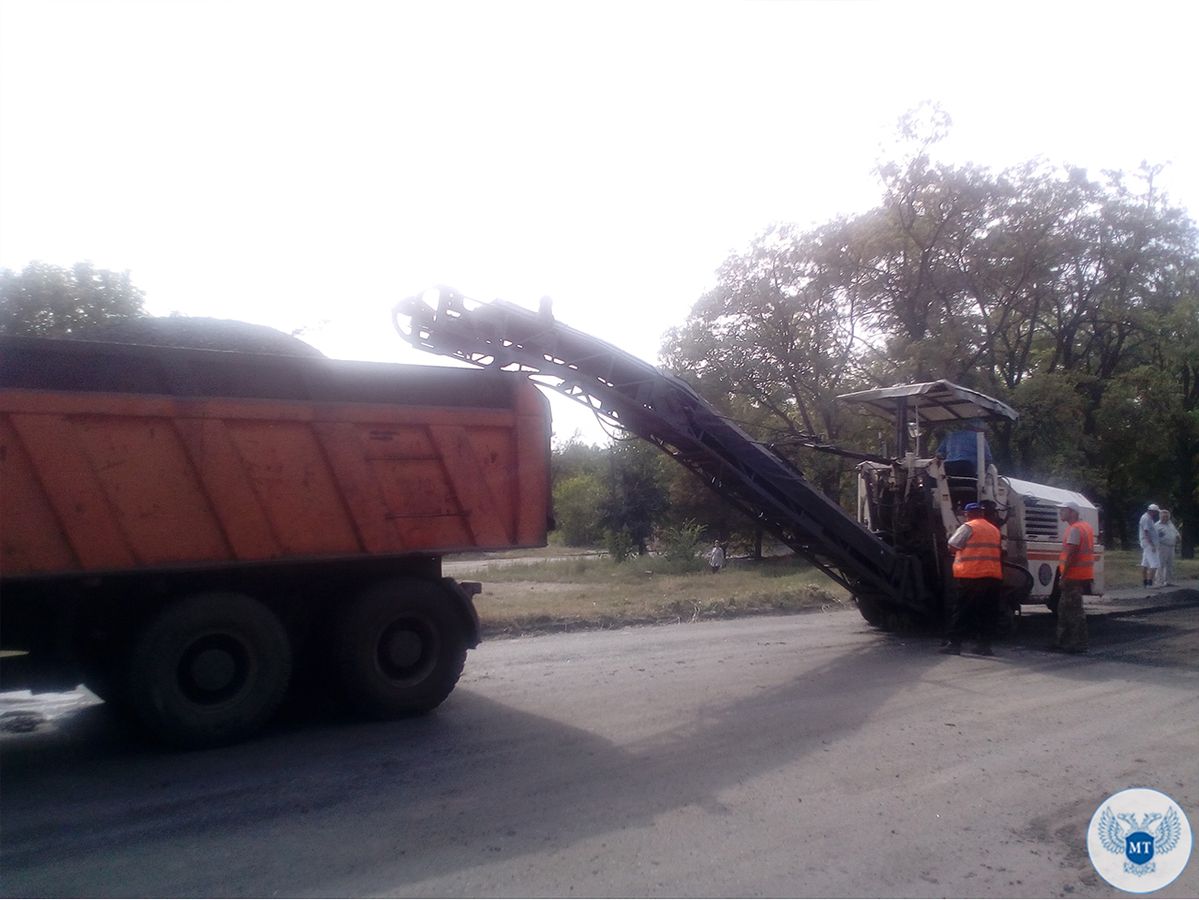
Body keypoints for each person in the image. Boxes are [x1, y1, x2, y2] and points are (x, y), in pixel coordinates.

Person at [941, 502, 1003, 656]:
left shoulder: (968, 527)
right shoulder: (994, 529)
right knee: (987, 612)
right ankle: (985, 646)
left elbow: (952, 546)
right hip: (992, 576)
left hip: (972, 576)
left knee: (962, 610)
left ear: (967, 514)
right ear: (981, 513)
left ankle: (954, 644)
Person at [1052, 501, 1094, 654]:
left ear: (1073, 512)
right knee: (1066, 609)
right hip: (1079, 575)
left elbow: (1071, 554)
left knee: (1072, 611)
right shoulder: (1085, 527)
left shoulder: (1075, 529)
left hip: (1072, 576)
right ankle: (1064, 642)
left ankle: (1077, 644)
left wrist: (1063, 576)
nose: (1060, 513)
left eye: (1063, 510)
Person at [1156, 509, 1181, 587]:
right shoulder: (1157, 525)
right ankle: (1159, 582)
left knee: (1170, 564)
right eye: (1164, 516)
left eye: (1167, 516)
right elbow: (1154, 537)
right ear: (1160, 516)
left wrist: (1178, 536)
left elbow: (1175, 532)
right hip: (1162, 546)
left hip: (1171, 546)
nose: (1165, 518)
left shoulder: (1170, 524)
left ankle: (1168, 581)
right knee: (1161, 564)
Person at [1138, 503, 1161, 588]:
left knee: (1145, 563)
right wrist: (1152, 545)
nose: (1156, 514)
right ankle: (1150, 583)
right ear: (1153, 511)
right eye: (1156, 512)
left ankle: (1145, 582)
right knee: (1155, 564)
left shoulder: (1148, 518)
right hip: (1148, 543)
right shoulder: (1146, 518)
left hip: (1147, 543)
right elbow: (1146, 532)